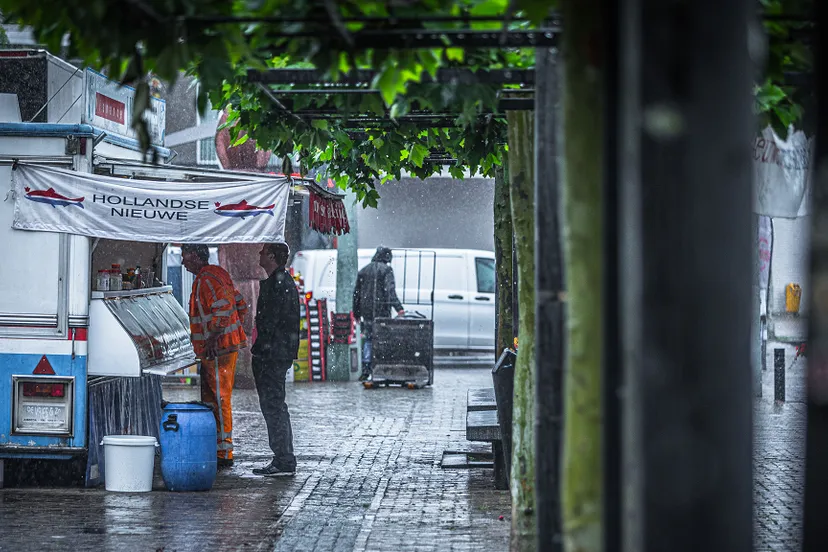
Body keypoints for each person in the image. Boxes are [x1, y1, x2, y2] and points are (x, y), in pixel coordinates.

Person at [181, 243, 248, 468]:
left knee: (219, 399)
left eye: (185, 256)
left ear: (197, 257)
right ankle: (217, 447)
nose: (183, 261)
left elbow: (223, 310)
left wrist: (212, 340)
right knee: (213, 399)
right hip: (220, 349)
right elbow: (240, 304)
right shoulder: (217, 275)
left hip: (218, 350)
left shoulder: (206, 279)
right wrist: (236, 330)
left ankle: (224, 452)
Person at [251, 242, 301, 476]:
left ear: (271, 256)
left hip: (272, 356)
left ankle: (283, 459)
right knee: (275, 406)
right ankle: (283, 457)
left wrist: (262, 350)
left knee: (273, 406)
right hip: (276, 354)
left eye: (263, 252)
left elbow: (270, 322)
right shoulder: (282, 282)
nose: (259, 255)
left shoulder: (278, 284)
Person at [352, 246, 405, 381]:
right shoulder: (386, 270)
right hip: (382, 311)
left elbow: (356, 294)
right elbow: (390, 291)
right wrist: (399, 308)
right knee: (383, 339)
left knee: (368, 339)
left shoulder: (363, 271)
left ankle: (366, 368)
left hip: (367, 312)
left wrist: (357, 313)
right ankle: (382, 368)